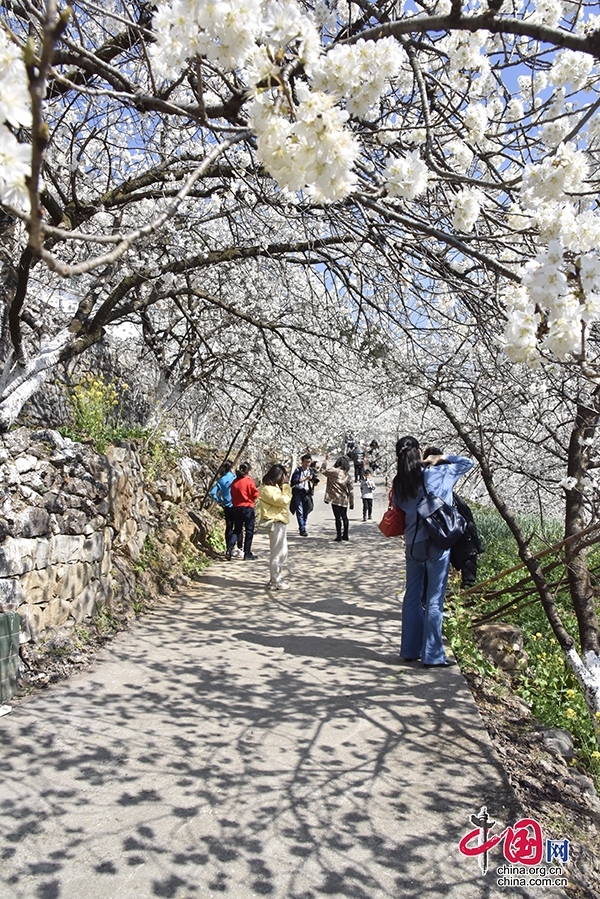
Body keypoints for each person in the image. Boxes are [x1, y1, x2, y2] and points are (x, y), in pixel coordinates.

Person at [392, 436, 473, 667]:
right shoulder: (439, 473)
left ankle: (409, 649)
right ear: (419, 452)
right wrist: (441, 458)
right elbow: (468, 463)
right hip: (438, 542)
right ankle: (433, 655)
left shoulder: (399, 483)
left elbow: (398, 508)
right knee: (435, 599)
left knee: (412, 596)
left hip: (412, 544)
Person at [422, 446, 483, 588]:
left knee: (425, 572)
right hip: (445, 525)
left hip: (424, 526)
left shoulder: (420, 473)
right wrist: (445, 457)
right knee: (438, 577)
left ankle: (424, 602)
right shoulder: (447, 471)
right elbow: (469, 462)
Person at [258, 464, 293, 590]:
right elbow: (283, 500)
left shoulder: (272, 488)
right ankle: (275, 581)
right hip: (275, 522)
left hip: (279, 522)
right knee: (277, 553)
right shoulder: (267, 489)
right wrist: (287, 486)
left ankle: (275, 578)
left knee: (282, 552)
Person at [227, 461, 259, 560]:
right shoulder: (249, 481)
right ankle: (247, 552)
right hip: (248, 508)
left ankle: (229, 548)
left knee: (237, 529)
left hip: (236, 508)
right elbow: (255, 495)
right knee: (249, 531)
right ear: (248, 471)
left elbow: (231, 494)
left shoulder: (234, 482)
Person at [210, 460, 241, 558]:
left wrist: (220, 501)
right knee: (238, 527)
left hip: (227, 506)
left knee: (229, 527)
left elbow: (213, 493)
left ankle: (228, 549)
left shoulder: (221, 480)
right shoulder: (235, 478)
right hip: (237, 505)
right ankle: (239, 549)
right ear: (231, 468)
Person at [323, 456, 354, 542]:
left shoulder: (333, 472)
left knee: (337, 518)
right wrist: (351, 502)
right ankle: (346, 535)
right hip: (344, 499)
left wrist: (326, 460)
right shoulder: (348, 476)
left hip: (334, 498)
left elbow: (322, 470)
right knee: (344, 517)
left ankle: (339, 536)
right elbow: (351, 490)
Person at [290, 454, 319, 536]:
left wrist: (313, 481)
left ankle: (303, 525)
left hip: (307, 493)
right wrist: (306, 479)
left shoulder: (311, 471)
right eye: (306, 462)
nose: (307, 464)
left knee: (306, 510)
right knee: (299, 510)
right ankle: (302, 528)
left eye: (309, 462)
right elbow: (294, 481)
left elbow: (314, 483)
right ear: (302, 462)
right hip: (298, 492)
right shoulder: (298, 471)